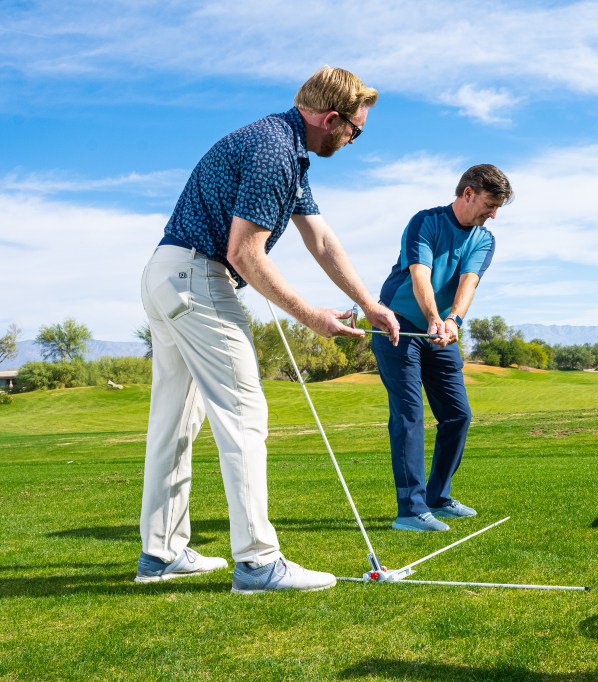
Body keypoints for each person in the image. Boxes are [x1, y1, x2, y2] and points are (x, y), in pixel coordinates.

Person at [136, 66, 400, 593]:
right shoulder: (274, 152)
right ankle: (258, 562)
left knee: (175, 423)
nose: (353, 140)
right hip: (201, 277)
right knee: (244, 415)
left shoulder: (285, 151)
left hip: (166, 276)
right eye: (355, 130)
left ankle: (161, 554)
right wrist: (313, 317)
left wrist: (367, 303)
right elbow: (243, 253)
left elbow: (321, 241)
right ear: (331, 119)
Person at [372, 164, 513, 531]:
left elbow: (469, 283)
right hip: (398, 328)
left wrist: (453, 322)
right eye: (490, 204)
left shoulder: (484, 238)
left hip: (440, 333)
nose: (493, 214)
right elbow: (421, 274)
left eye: (498, 208)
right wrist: (435, 316)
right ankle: (410, 510)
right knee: (409, 415)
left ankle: (437, 496)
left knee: (458, 414)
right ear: (468, 193)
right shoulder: (425, 222)